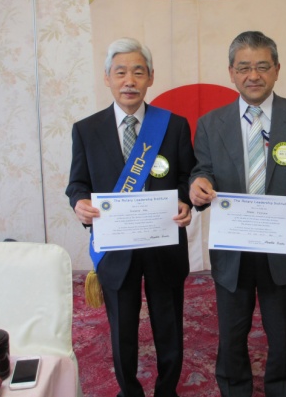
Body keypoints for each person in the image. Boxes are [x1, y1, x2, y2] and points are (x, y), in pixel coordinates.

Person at [189, 30, 286, 397]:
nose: (253, 76)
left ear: (277, 70)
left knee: (283, 334)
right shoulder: (210, 123)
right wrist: (198, 184)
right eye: (244, 68)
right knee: (231, 333)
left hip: (282, 245)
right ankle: (234, 389)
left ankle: (281, 390)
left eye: (262, 67)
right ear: (231, 72)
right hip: (232, 247)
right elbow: (201, 170)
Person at [66, 37, 195, 397]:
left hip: (163, 243)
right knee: (122, 329)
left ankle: (167, 390)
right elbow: (77, 183)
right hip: (116, 247)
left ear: (151, 77)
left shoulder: (173, 126)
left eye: (138, 72)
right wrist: (79, 202)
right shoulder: (86, 130)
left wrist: (185, 201)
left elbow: (188, 176)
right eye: (120, 72)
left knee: (168, 325)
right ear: (107, 78)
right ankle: (129, 392)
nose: (129, 81)